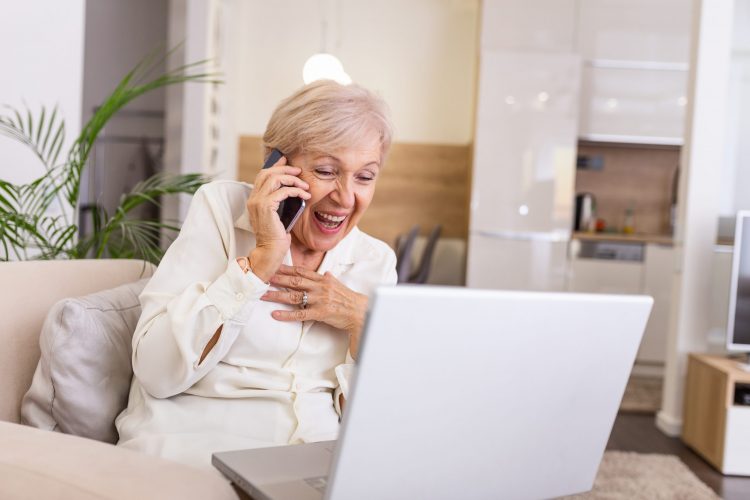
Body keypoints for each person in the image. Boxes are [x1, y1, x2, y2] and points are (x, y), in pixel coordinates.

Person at [115, 80, 397, 469]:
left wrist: (360, 323)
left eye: (365, 177)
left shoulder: (374, 261)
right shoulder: (220, 211)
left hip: (314, 468)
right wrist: (260, 261)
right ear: (277, 165)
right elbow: (156, 372)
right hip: (200, 455)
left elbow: (368, 427)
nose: (346, 197)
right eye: (327, 171)